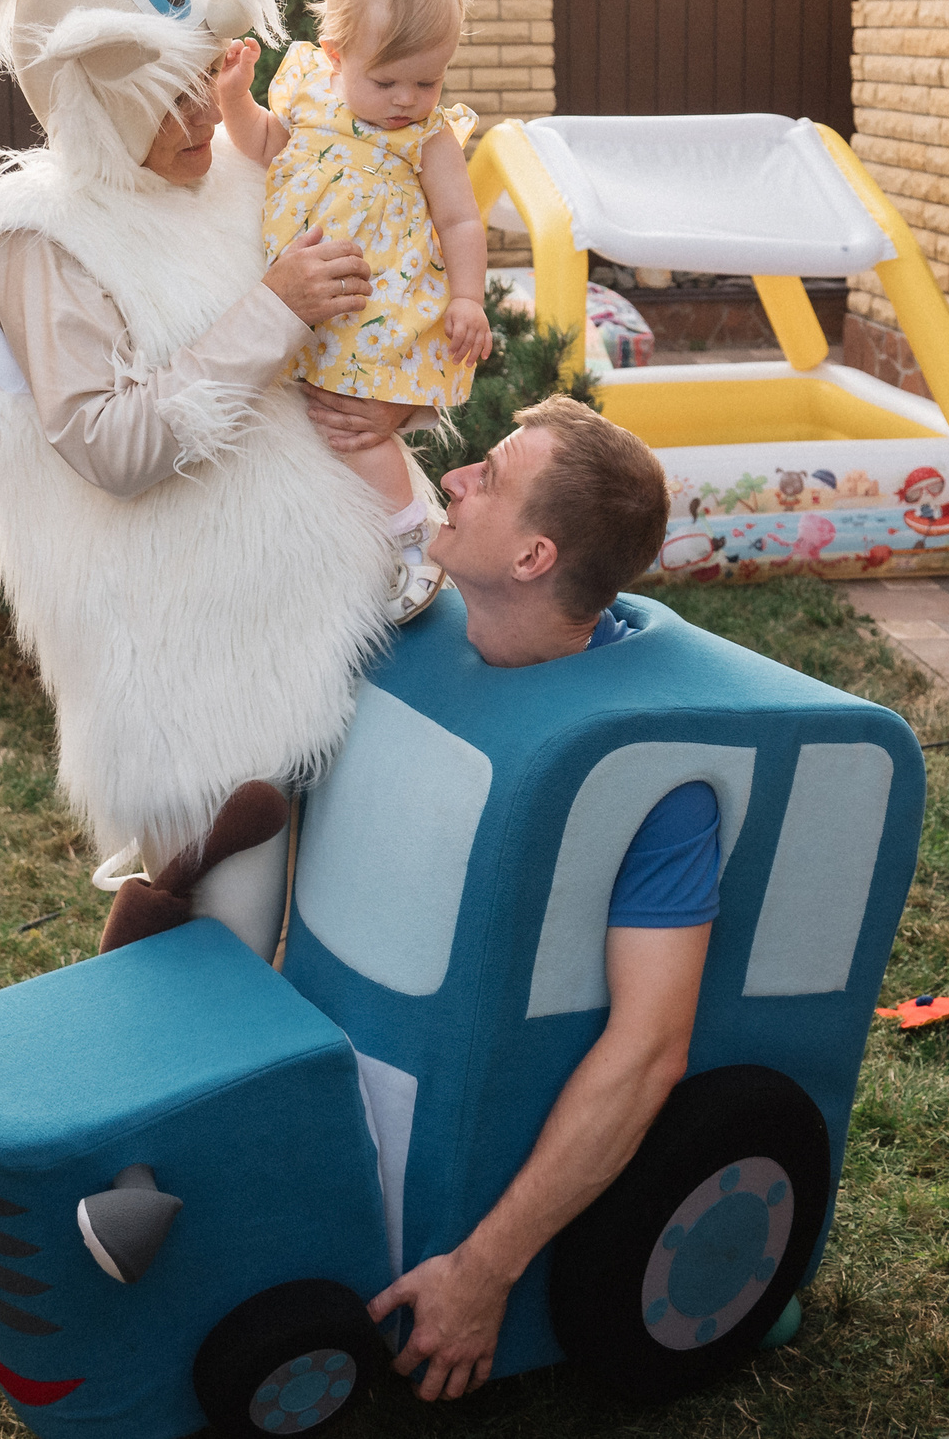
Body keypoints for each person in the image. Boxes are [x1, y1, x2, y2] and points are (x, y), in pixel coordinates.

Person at [0, 0, 420, 956]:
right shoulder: (40, 241)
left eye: (206, 83)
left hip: (336, 629)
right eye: (171, 100)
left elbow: (350, 335)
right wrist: (275, 306)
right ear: (97, 97)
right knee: (225, 943)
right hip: (200, 679)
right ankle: (177, 1120)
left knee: (346, 932)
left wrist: (394, 393)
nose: (205, 117)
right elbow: (111, 443)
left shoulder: (234, 167)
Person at [367, 394, 711, 1399]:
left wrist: (482, 1271)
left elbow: (650, 1046)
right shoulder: (427, 627)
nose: (459, 475)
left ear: (533, 558)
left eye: (491, 475)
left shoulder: (649, 777)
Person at [214, 0, 491, 620]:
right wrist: (235, 99)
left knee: (357, 426)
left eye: (427, 81)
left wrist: (468, 296)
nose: (406, 98)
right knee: (304, 429)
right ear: (335, 57)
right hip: (300, 300)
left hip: (375, 315)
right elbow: (260, 146)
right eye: (386, 80)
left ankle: (412, 539)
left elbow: (460, 220)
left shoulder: (427, 138)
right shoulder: (306, 98)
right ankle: (333, 559)